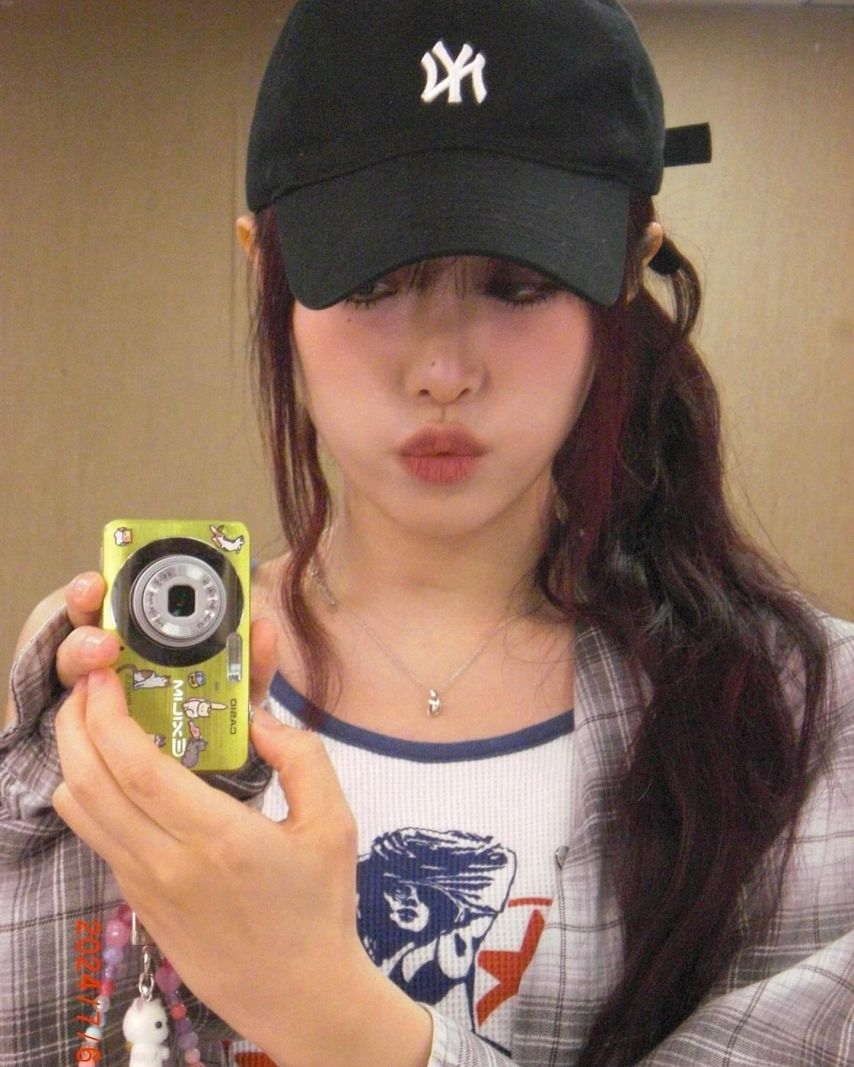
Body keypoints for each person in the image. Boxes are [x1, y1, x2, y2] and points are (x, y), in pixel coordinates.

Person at [2, 1, 852, 1065]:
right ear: (268, 271)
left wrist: (326, 1008)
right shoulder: (128, 696)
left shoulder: (803, 720)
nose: (443, 370)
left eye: (519, 285)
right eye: (374, 283)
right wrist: (35, 814)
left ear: (627, 271)